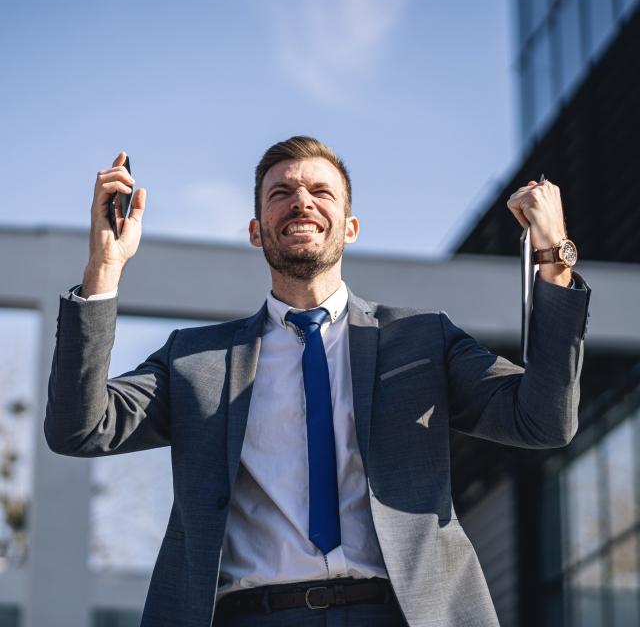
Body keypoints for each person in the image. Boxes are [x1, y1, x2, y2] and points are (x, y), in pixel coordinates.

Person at [45, 136, 591, 627]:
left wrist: (553, 258)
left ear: (350, 228)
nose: (302, 201)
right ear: (257, 231)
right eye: (281, 192)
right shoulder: (196, 359)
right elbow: (79, 428)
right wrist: (105, 268)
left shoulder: (422, 340)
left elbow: (541, 421)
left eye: (321, 192)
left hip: (399, 613)